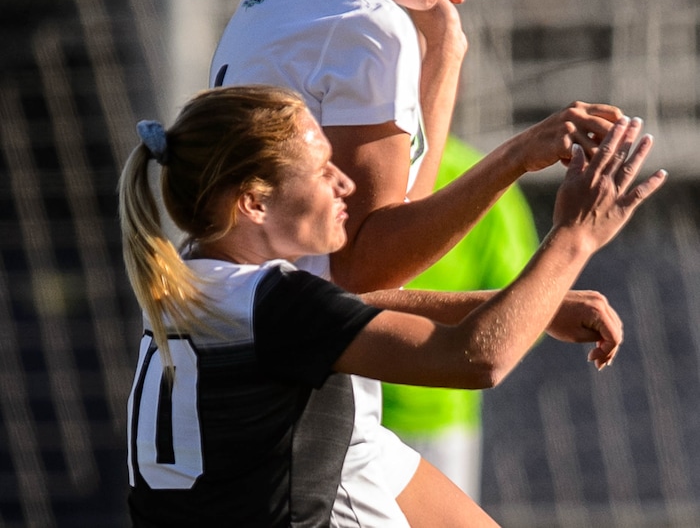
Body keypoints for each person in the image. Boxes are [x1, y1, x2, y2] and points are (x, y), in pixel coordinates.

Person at [88, 0, 636, 525]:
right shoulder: (363, 24)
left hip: (306, 379)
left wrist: (443, 53)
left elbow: (338, 272)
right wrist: (532, 176)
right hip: (305, 417)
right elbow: (370, 267)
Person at [120, 85, 665, 528]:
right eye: (320, 169)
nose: (344, 183)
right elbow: (475, 359)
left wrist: (534, 305)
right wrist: (575, 237)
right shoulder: (277, 304)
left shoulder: (190, 284)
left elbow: (335, 314)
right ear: (255, 202)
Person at [381, 135, 539, 500]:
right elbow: (522, 305)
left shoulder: (347, 163)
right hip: (431, 413)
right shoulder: (482, 175)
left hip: (374, 409)